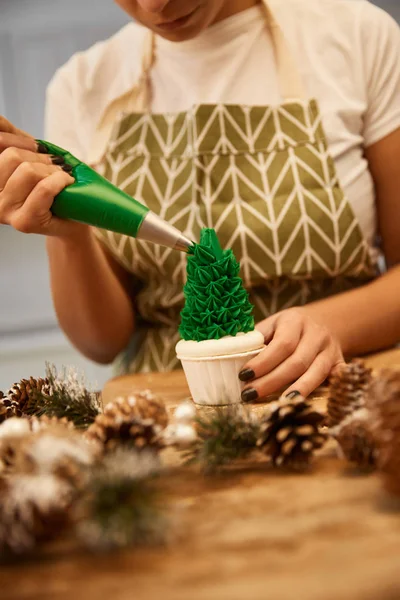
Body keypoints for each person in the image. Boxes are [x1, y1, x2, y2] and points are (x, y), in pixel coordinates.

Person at [0, 0, 399, 403]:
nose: (155, 4)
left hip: (339, 394)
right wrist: (71, 236)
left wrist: (331, 323)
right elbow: (102, 343)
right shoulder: (81, 86)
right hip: (169, 416)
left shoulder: (357, 37)